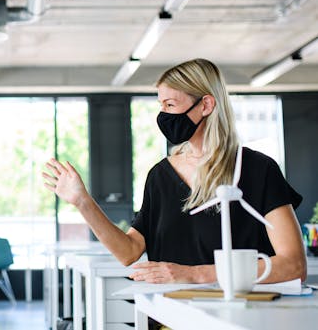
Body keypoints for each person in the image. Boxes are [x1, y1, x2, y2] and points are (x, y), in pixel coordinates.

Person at [43, 58, 306, 284]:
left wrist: (196, 275)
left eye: (171, 105)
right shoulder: (160, 176)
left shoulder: (257, 170)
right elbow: (129, 252)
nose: (163, 115)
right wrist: (83, 202)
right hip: (171, 315)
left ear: (205, 105)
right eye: (161, 105)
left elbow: (294, 265)